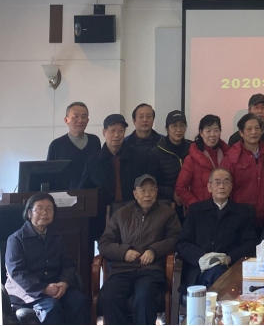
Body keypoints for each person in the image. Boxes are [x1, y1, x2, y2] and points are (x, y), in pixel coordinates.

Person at [98, 175, 181, 325]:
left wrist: (154, 250)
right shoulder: (121, 214)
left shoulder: (167, 213)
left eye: (151, 190)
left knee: (143, 296)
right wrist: (124, 252)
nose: (147, 195)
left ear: (156, 192)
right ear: (135, 194)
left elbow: (175, 239)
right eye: (142, 191)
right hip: (122, 270)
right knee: (109, 296)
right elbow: (104, 243)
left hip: (151, 270)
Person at [5, 193, 88, 325]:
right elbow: (17, 272)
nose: (45, 212)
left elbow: (68, 265)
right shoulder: (16, 239)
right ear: (29, 213)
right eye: (39, 208)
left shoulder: (56, 237)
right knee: (51, 307)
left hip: (55, 288)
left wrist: (64, 283)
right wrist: (44, 288)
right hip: (27, 291)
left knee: (78, 300)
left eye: (49, 209)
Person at [177, 168, 258, 289]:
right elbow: (182, 243)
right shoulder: (196, 210)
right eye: (217, 182)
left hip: (230, 268)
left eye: (226, 182)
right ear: (209, 187)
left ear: (231, 187)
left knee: (219, 271)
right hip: (200, 269)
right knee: (217, 273)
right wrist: (202, 256)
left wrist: (228, 258)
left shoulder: (243, 212)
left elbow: (250, 244)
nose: (221, 186)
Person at [79, 114, 148, 239]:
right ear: (104, 132)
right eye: (112, 131)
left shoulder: (138, 157)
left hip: (132, 215)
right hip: (103, 217)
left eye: (120, 131)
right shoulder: (93, 161)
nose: (117, 135)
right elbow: (84, 191)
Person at [222, 114, 264, 230]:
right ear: (241, 133)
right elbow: (224, 189)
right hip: (239, 218)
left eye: (257, 128)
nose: (254, 132)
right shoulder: (231, 157)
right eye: (249, 129)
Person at [175, 115, 229, 208]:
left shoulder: (228, 155)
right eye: (208, 131)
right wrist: (197, 207)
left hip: (226, 209)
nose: (212, 134)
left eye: (216, 130)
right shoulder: (191, 159)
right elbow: (180, 188)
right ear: (201, 133)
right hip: (202, 210)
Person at [47, 102, 102, 189]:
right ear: (66, 120)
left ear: (87, 121)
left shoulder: (94, 141)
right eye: (75, 116)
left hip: (91, 193)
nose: (80, 120)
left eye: (84, 116)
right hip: (65, 194)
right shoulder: (56, 145)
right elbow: (48, 175)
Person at [148, 110, 191, 220]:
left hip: (190, 201)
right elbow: (152, 182)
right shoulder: (156, 152)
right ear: (167, 128)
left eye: (182, 125)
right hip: (167, 204)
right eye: (174, 126)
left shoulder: (192, 148)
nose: (179, 129)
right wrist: (172, 193)